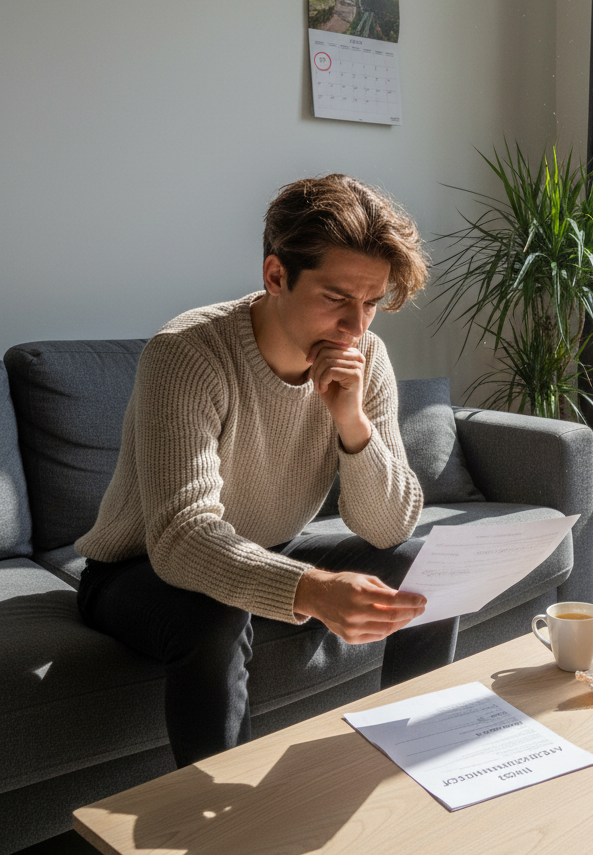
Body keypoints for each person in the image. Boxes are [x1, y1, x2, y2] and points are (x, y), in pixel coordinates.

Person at [74, 174, 458, 768]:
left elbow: (387, 528)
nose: (357, 326)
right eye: (336, 298)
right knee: (214, 617)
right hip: (134, 567)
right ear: (276, 275)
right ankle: (226, 832)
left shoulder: (367, 359)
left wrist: (352, 422)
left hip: (270, 543)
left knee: (419, 575)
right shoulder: (187, 354)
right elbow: (181, 537)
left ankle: (417, 763)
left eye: (372, 302)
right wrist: (309, 588)